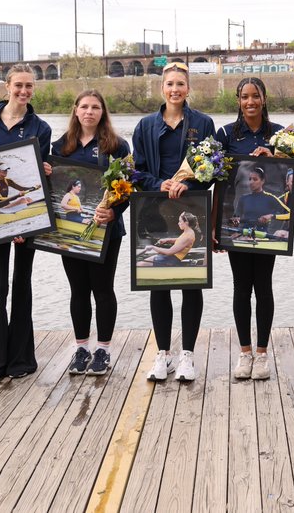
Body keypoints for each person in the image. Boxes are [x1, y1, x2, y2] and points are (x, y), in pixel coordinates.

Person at [0, 64, 52, 380]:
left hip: (27, 220)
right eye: (18, 85)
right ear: (7, 86)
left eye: (29, 86)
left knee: (22, 283)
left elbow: (34, 173)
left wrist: (45, 171)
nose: (24, 91)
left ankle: (21, 359)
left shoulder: (40, 128)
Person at [132, 61, 215, 382]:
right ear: (162, 89)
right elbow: (137, 172)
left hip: (190, 209)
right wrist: (159, 184)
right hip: (154, 209)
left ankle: (188, 356)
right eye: (170, 84)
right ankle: (163, 354)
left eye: (181, 84)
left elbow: (211, 171)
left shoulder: (203, 124)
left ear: (188, 89)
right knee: (159, 283)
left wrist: (189, 185)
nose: (175, 89)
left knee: (191, 285)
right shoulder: (144, 127)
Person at [51, 90, 130, 376]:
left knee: (103, 288)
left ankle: (104, 351)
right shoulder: (60, 147)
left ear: (102, 112)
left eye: (95, 107)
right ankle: (82, 348)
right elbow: (53, 186)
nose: (89, 111)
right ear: (75, 110)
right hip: (69, 231)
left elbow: (128, 188)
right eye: (84, 106)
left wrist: (115, 211)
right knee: (78, 290)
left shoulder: (118, 146)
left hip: (107, 230)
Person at [215, 78, 286, 380]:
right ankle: (244, 354)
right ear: (238, 100)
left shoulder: (280, 135)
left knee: (264, 285)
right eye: (244, 97)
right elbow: (218, 181)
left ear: (264, 98)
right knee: (241, 287)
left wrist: (278, 159)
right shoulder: (225, 134)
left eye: (255, 96)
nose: (250, 102)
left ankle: (262, 354)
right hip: (237, 219)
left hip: (267, 220)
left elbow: (293, 178)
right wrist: (215, 223)